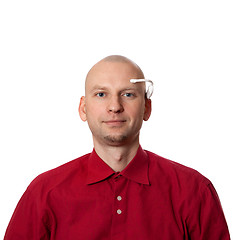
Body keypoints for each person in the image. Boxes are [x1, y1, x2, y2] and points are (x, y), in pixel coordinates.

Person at [4, 55, 230, 239]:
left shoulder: (194, 191)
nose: (114, 106)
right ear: (83, 108)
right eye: (101, 94)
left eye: (128, 94)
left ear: (146, 108)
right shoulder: (44, 193)